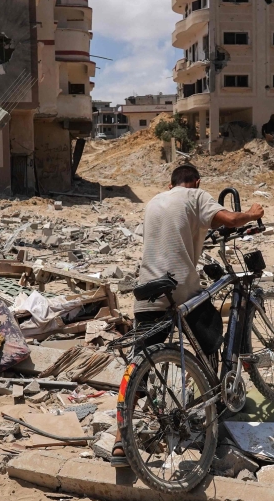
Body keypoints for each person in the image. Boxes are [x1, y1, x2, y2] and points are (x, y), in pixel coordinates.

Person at [111, 164, 264, 467]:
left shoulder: (155, 201)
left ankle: (119, 440)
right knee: (211, 334)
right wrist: (253, 212)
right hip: (179, 286)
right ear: (195, 181)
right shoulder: (195, 196)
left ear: (170, 184)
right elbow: (231, 219)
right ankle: (215, 399)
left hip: (147, 289)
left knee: (139, 361)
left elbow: (174, 236)